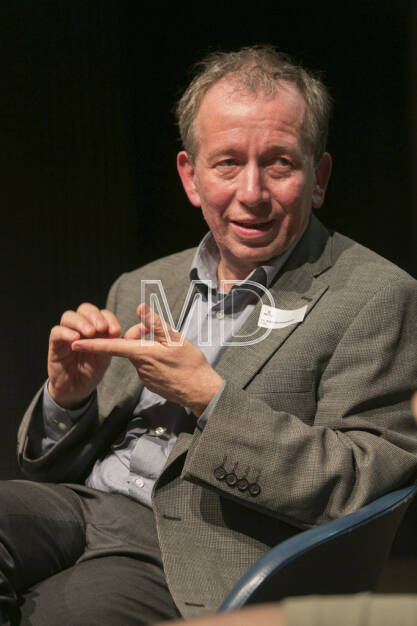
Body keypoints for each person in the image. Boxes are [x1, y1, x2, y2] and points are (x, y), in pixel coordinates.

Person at [8, 46, 417, 625]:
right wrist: (67, 399)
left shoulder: (375, 295)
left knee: (56, 615)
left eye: (279, 163)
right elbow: (49, 466)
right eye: (227, 163)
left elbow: (362, 483)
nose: (251, 192)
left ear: (318, 177)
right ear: (191, 177)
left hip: (196, 546)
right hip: (82, 506)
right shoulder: (145, 284)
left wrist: (211, 398)